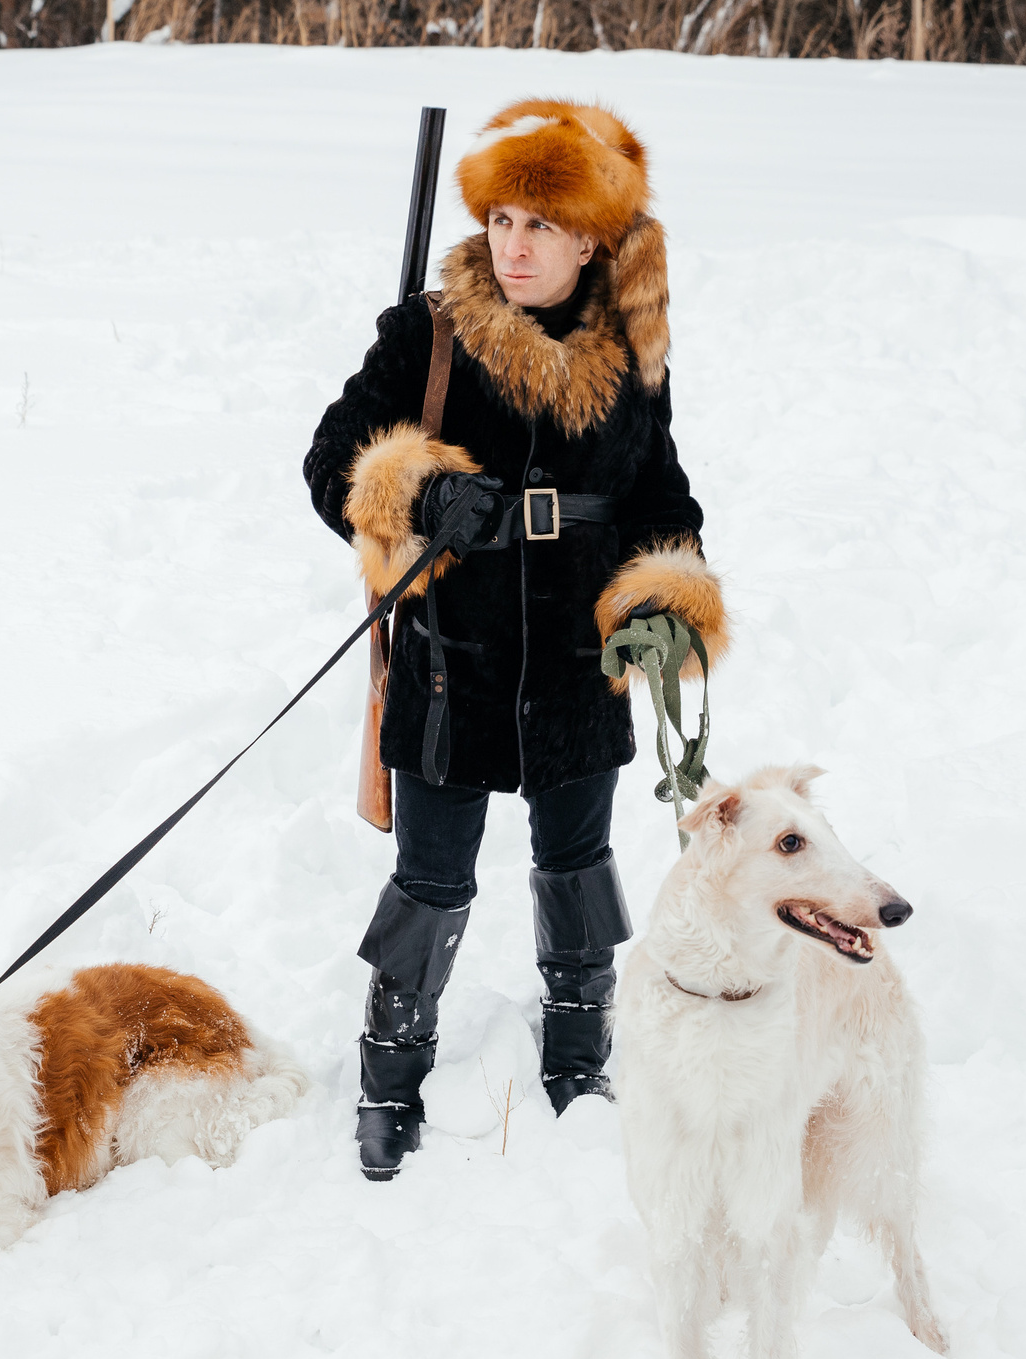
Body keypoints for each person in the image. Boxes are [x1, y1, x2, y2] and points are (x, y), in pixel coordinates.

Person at [303, 100, 730, 1183]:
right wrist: (417, 490)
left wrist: (664, 594)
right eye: (499, 221)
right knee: (430, 882)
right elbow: (330, 467)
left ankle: (579, 1057)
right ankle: (390, 1072)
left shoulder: (631, 359)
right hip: (455, 660)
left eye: (540, 225)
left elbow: (660, 497)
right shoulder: (427, 334)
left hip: (581, 666)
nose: (515, 245)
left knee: (576, 863)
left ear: (590, 238)